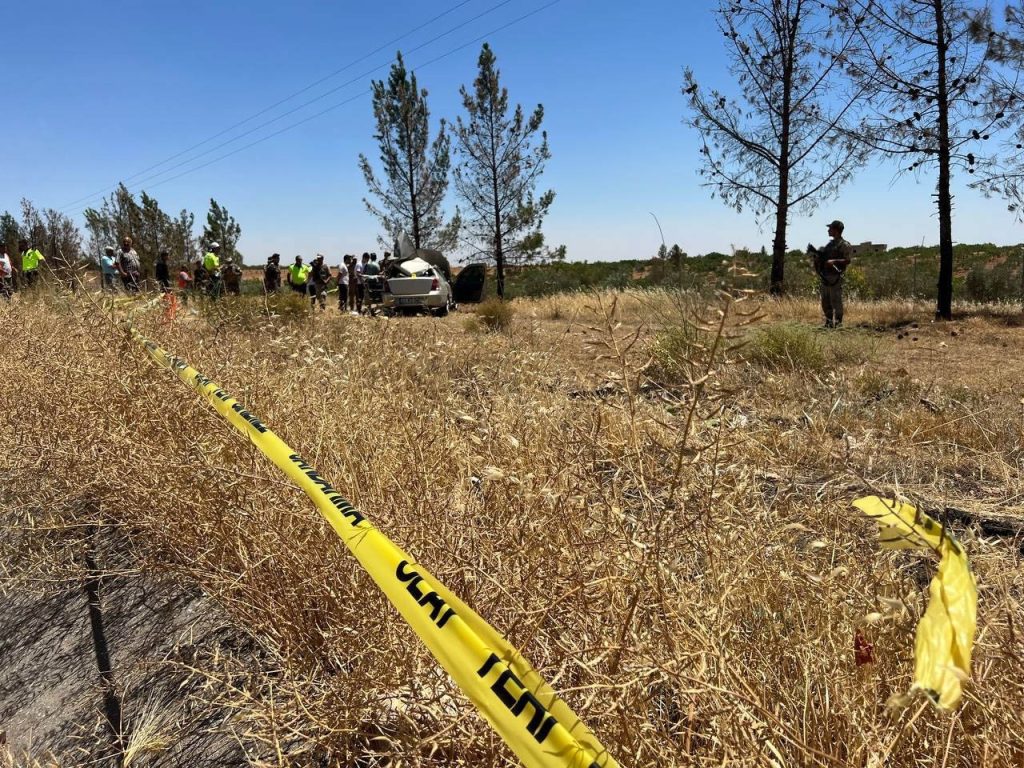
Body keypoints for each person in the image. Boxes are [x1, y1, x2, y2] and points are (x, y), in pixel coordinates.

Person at [808, 219, 851, 328]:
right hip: (825, 276)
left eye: (830, 228)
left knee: (836, 300)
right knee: (825, 301)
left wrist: (833, 262)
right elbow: (824, 257)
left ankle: (838, 323)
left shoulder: (844, 244)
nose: (828, 230)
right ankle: (828, 322)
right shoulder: (830, 244)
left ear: (836, 230)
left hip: (835, 276)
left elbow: (847, 260)